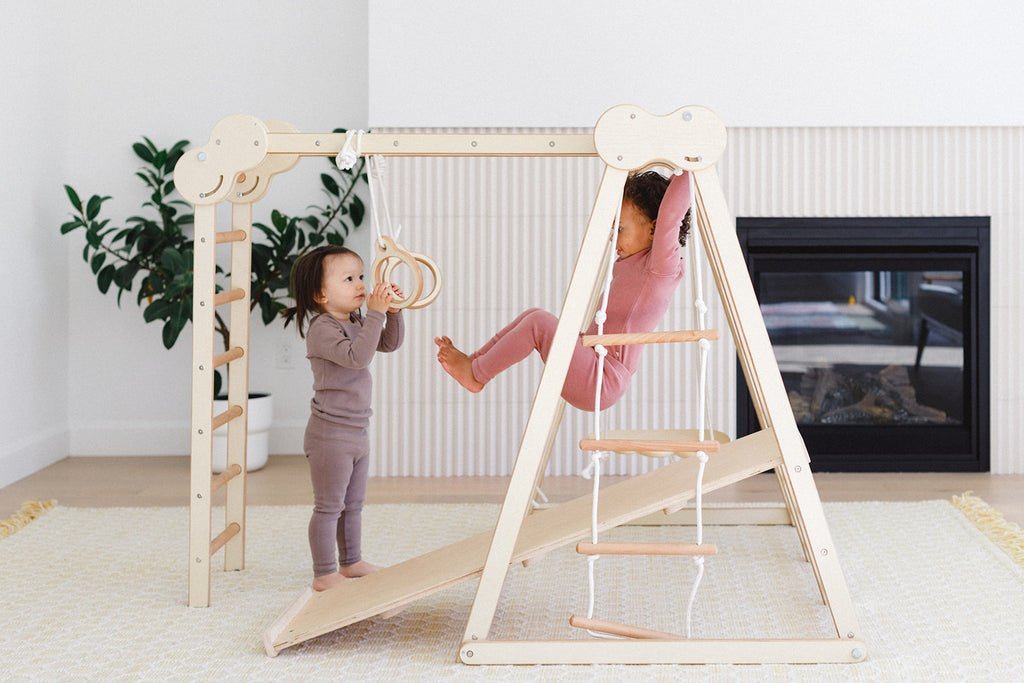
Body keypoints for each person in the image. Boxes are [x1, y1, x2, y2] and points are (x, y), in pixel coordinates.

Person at [435, 169, 691, 411]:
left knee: (538, 322)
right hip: (593, 358)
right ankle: (475, 362)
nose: (613, 237)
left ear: (654, 229)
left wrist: (690, 164)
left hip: (603, 377)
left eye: (620, 228)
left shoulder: (661, 268)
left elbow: (670, 214)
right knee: (533, 315)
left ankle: (477, 374)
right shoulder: (635, 262)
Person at [283, 245, 405, 591]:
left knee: (353, 504)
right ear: (321, 294)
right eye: (349, 279)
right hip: (330, 435)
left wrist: (392, 311)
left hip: (356, 431)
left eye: (361, 277)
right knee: (329, 507)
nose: (360, 285)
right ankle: (324, 573)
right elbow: (357, 357)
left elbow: (388, 344)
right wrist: (377, 313)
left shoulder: (355, 321)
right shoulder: (323, 328)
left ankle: (351, 562)